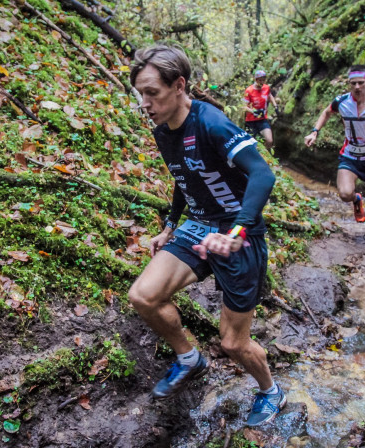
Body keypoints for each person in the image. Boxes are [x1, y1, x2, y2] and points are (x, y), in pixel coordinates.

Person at [128, 45, 286, 427]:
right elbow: (186, 178)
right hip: (197, 226)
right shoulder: (163, 133)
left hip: (238, 233)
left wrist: (237, 230)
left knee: (233, 343)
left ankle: (270, 391)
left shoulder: (212, 123)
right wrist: (169, 225)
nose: (144, 103)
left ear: (179, 85)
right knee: (143, 296)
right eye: (140, 94)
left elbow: (263, 175)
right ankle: (189, 358)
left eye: (152, 92)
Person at [304, 64, 365, 250]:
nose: (357, 87)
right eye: (353, 83)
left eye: (361, 83)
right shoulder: (341, 102)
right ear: (349, 84)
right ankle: (357, 200)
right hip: (349, 155)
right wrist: (314, 132)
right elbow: (326, 112)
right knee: (344, 194)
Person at [244, 70, 279, 150]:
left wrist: (275, 106)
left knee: (269, 140)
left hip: (262, 119)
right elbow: (244, 107)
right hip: (251, 121)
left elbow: (269, 96)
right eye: (260, 80)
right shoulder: (249, 91)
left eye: (263, 80)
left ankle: (265, 155)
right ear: (256, 80)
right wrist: (254, 111)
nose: (262, 82)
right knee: (251, 144)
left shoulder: (266, 88)